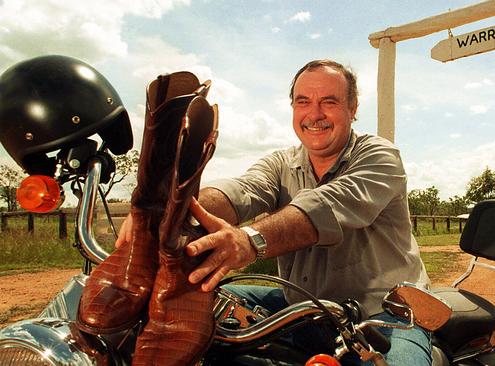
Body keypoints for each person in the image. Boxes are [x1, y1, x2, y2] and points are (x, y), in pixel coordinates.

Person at [118, 59, 433, 365]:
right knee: (205, 297)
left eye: (330, 101)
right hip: (305, 303)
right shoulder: (281, 162)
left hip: (387, 310)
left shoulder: (380, 156)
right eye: (303, 101)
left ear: (353, 109)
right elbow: (242, 190)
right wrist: (167, 209)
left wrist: (249, 241)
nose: (315, 113)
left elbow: (326, 205)